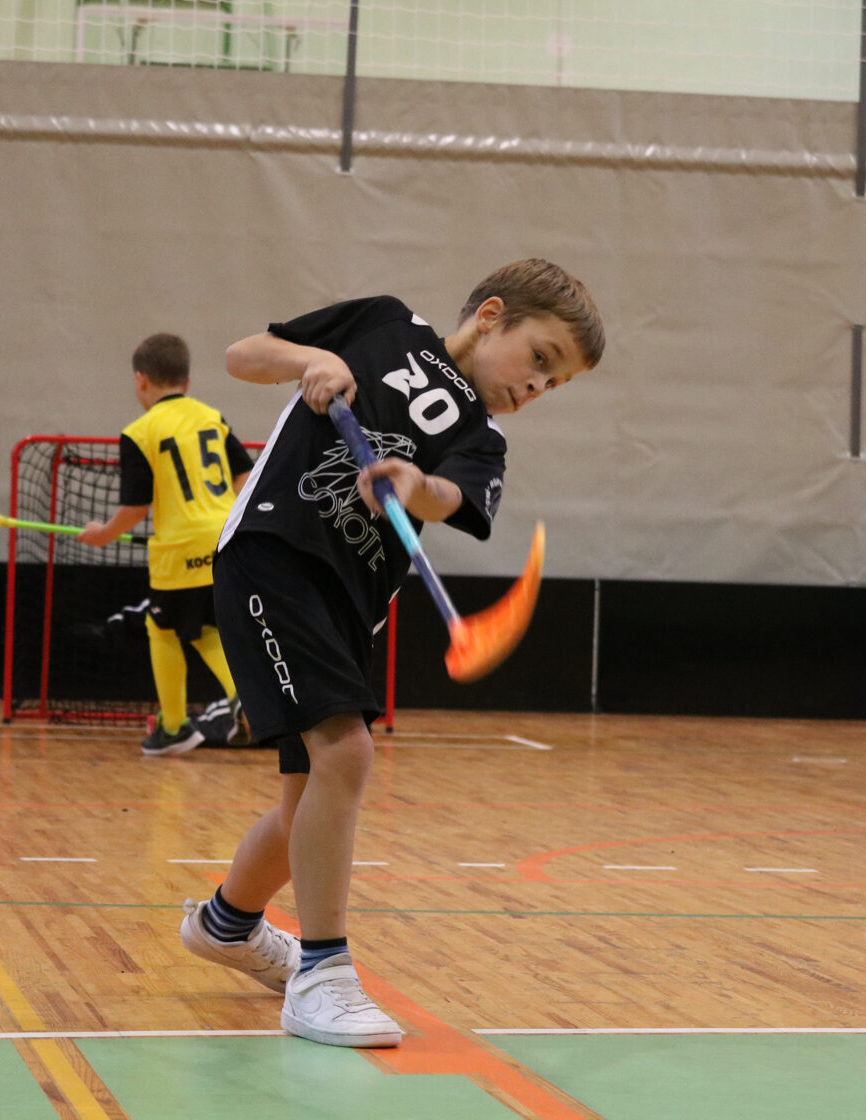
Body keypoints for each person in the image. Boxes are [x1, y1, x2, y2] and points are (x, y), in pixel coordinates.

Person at [179, 259, 604, 1048]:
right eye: (540, 358)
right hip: (274, 553)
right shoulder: (384, 323)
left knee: (306, 802)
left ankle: (226, 923)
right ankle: (323, 975)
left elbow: (454, 498)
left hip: (351, 606)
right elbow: (244, 356)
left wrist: (415, 486)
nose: (538, 386)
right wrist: (313, 361)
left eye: (556, 383)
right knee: (346, 755)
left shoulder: (482, 441)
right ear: (490, 316)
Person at [79, 332, 255, 756]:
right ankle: (229, 701)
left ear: (140, 380)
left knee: (161, 628)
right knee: (203, 626)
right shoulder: (212, 417)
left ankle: (178, 725)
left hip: (180, 548)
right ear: (187, 382)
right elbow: (245, 477)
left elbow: (135, 506)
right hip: (225, 537)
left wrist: (103, 533)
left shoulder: (139, 432)